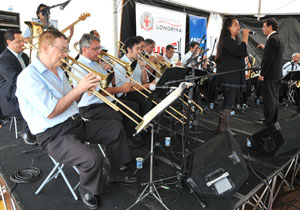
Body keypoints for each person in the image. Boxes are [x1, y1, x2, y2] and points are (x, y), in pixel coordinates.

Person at [16, 30, 137, 209]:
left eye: (66, 50)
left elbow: (71, 101)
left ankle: (116, 172)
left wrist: (84, 91)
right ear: (46, 48)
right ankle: (88, 190)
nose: (66, 54)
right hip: (53, 135)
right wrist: (78, 89)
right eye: (62, 50)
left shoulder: (58, 71)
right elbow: (51, 111)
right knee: (91, 158)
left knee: (115, 128)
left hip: (74, 123)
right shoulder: (29, 76)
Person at [73, 33, 140, 147]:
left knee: (133, 107)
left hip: (105, 101)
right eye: (96, 49)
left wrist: (110, 70)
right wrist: (122, 89)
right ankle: (113, 154)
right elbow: (100, 91)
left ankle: (129, 139)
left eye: (99, 48)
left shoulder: (96, 63)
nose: (100, 52)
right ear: (84, 49)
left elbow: (110, 83)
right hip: (91, 106)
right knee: (116, 118)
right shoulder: (80, 66)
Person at [0, 29, 36, 145]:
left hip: (23, 92)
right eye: (19, 41)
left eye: (22, 41)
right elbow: (16, 80)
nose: (23, 44)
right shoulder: (3, 59)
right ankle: (27, 131)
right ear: (9, 42)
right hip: (11, 98)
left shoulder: (25, 56)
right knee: (36, 102)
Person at [215, 17, 249, 134]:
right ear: (228, 27)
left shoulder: (232, 41)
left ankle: (224, 127)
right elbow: (240, 52)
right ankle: (223, 128)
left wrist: (243, 41)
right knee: (229, 101)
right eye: (236, 25)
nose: (238, 27)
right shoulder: (226, 40)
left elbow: (242, 53)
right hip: (228, 76)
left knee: (229, 102)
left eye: (238, 25)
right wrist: (245, 38)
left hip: (233, 76)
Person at [114, 36, 154, 116]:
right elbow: (129, 88)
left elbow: (144, 81)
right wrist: (149, 85)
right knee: (147, 102)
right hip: (126, 94)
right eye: (137, 49)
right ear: (129, 49)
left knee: (155, 97)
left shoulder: (137, 61)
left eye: (140, 49)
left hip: (137, 90)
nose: (140, 52)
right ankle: (143, 126)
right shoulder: (121, 64)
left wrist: (143, 69)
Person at [255, 18, 284, 126]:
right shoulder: (279, 38)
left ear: (270, 27)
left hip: (270, 75)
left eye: (264, 26)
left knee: (269, 100)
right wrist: (265, 48)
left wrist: (262, 74)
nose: (262, 29)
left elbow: (268, 60)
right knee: (274, 99)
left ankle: (269, 121)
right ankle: (272, 120)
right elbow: (273, 54)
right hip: (277, 74)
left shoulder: (272, 39)